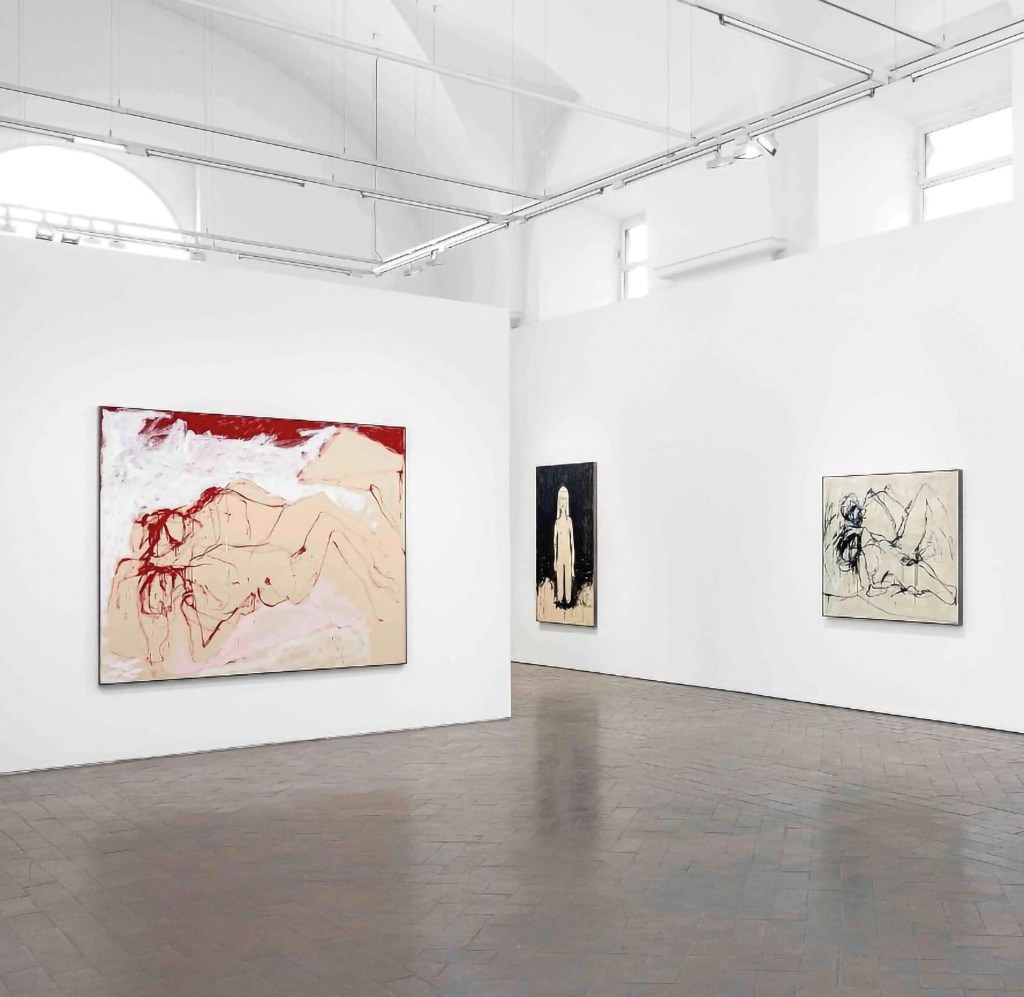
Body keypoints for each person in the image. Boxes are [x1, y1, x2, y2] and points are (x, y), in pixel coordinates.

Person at [553, 485, 575, 608]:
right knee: (560, 579)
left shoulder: (569, 521)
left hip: (568, 556)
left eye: (565, 499)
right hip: (560, 557)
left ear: (567, 501)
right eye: (561, 499)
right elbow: (555, 544)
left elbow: (572, 544)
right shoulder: (557, 523)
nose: (563, 502)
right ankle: (560, 597)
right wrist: (555, 560)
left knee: (567, 580)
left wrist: (572, 565)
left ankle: (568, 598)